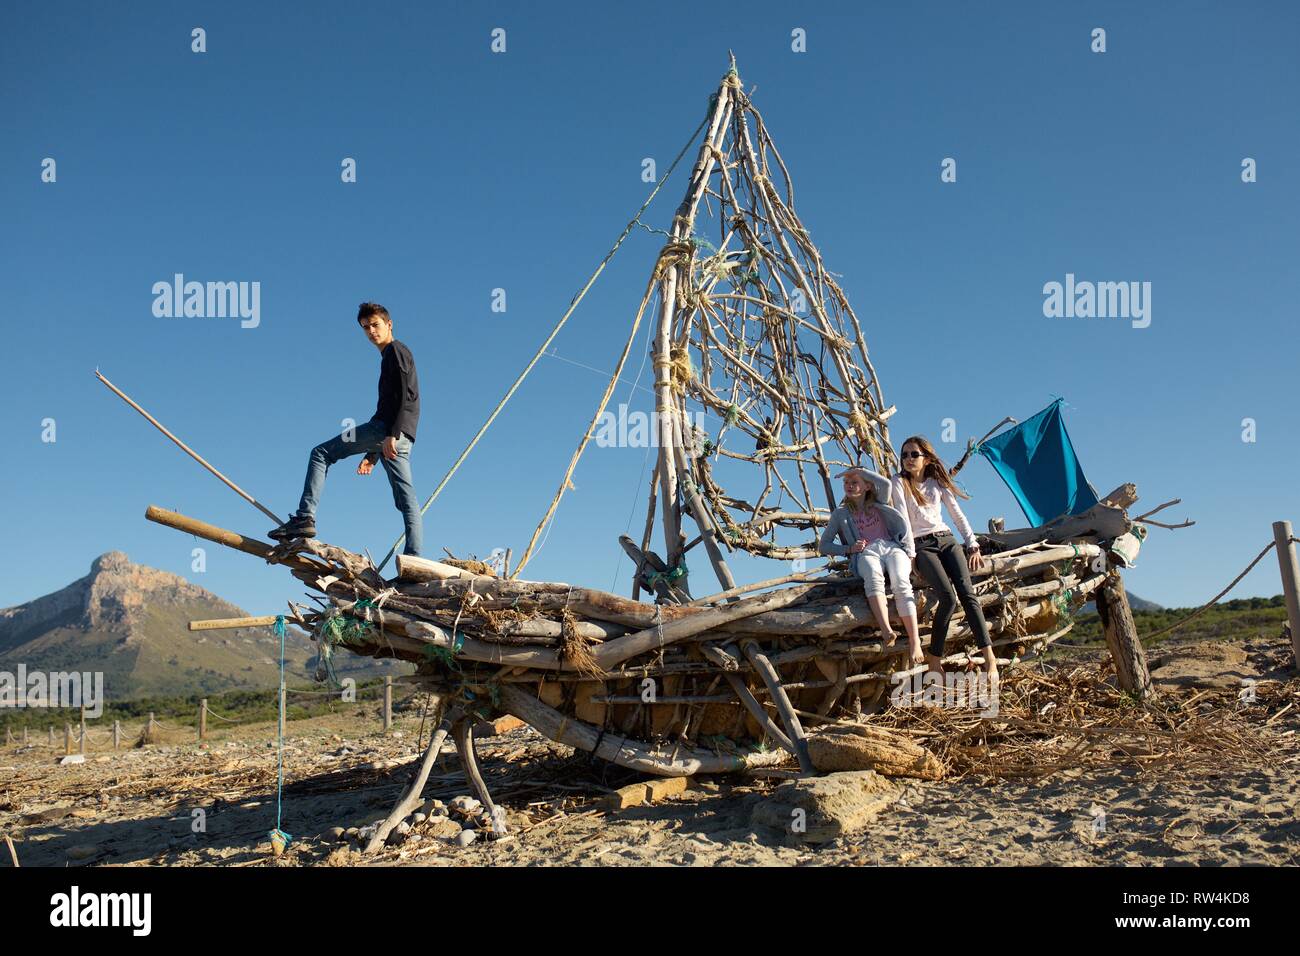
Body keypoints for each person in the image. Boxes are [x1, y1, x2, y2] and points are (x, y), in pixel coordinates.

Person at [269, 302, 423, 556]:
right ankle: (414, 559)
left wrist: (390, 434)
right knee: (407, 501)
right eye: (365, 328)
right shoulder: (390, 355)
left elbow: (405, 395)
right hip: (400, 435)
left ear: (389, 324)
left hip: (389, 431)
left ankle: (304, 518)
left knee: (321, 453)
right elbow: (392, 401)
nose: (371, 331)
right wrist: (373, 454)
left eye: (375, 325)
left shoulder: (396, 350)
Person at [890, 435, 997, 682]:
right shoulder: (899, 483)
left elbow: (957, 514)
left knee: (968, 595)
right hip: (922, 545)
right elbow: (903, 519)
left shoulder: (937, 481)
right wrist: (912, 555)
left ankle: (990, 657)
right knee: (947, 598)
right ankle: (934, 659)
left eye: (913, 454)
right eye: (904, 454)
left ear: (926, 458)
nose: (908, 459)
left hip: (947, 539)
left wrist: (972, 544)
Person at [817, 466, 923, 664]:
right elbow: (824, 545)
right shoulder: (840, 514)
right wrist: (849, 549)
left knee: (901, 583)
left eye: (854, 482)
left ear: (866, 486)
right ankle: (886, 630)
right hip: (866, 552)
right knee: (873, 579)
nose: (849, 486)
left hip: (891, 547)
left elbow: (886, 483)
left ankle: (914, 639)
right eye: (846, 483)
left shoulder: (878, 502)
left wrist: (861, 471)